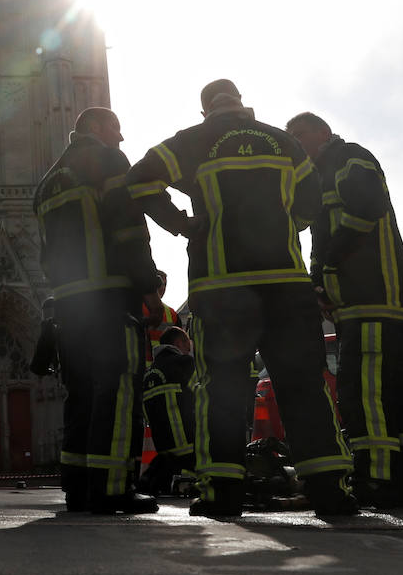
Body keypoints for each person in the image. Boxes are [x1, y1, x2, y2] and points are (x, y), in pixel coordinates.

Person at [124, 80, 355, 518]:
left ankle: (222, 493)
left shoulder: (194, 141)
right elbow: (310, 205)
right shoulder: (284, 141)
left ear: (205, 109)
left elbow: (137, 181)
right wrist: (281, 229)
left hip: (222, 287)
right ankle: (330, 490)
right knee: (304, 383)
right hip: (286, 285)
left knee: (221, 389)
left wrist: (180, 223)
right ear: (241, 103)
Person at [285, 111, 403, 507]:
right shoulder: (322, 175)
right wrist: (320, 282)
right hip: (365, 301)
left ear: (323, 132)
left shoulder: (349, 158)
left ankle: (377, 478)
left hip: (371, 296)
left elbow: (365, 208)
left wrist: (328, 266)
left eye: (301, 135)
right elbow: (324, 233)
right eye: (291, 139)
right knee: (393, 391)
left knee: (361, 393)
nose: (298, 144)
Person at [34, 106, 167, 514]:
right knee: (118, 390)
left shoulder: (47, 182)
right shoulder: (106, 161)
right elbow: (127, 227)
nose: (121, 138)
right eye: (115, 128)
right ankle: (111, 489)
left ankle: (77, 488)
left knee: (81, 396)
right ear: (91, 127)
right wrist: (148, 287)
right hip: (109, 299)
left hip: (69, 306)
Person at [139, 323, 196, 495]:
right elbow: (201, 396)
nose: (189, 348)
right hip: (189, 445)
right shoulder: (184, 363)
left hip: (164, 447)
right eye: (187, 344)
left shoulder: (150, 373)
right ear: (178, 343)